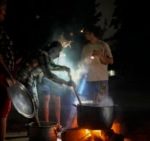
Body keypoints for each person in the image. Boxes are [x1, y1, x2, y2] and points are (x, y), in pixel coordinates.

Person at [80, 25, 113, 103]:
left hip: (102, 79)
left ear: (92, 34)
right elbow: (82, 64)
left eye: (86, 33)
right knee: (92, 104)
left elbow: (111, 61)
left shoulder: (103, 45)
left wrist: (100, 55)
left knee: (103, 104)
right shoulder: (86, 48)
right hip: (90, 80)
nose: (85, 35)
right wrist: (89, 58)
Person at [0, 0, 15, 140]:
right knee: (4, 108)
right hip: (2, 75)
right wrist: (9, 74)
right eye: (2, 10)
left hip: (5, 73)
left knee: (4, 108)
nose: (4, 14)